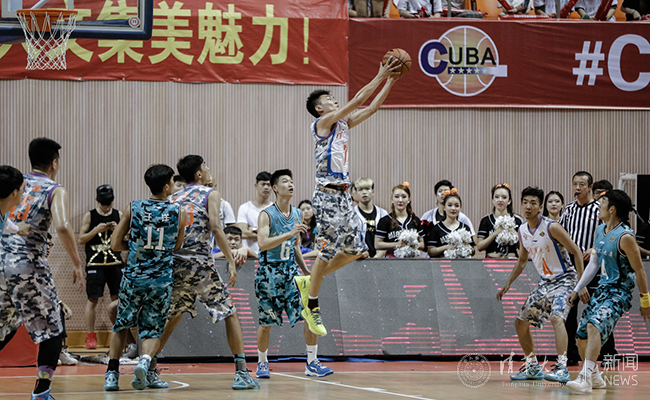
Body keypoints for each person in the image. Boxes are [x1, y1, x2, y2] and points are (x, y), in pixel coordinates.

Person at [295, 57, 401, 337]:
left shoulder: (342, 124)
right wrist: (380, 74)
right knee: (328, 249)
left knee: (358, 250)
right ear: (320, 108)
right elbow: (357, 100)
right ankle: (312, 304)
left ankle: (308, 281)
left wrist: (391, 81)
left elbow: (372, 107)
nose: (334, 100)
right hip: (326, 194)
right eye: (329, 99)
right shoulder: (322, 123)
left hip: (344, 195)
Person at [156, 155, 259, 390]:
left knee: (172, 317)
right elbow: (216, 227)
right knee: (230, 313)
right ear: (199, 174)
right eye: (206, 167)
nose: (209, 170)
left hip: (176, 263)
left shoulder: (173, 197)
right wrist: (230, 260)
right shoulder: (210, 194)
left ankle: (149, 365)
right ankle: (242, 372)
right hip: (201, 264)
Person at [0, 138, 84, 400]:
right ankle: (42, 391)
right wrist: (77, 263)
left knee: (5, 325)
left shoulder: (16, 182)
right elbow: (62, 225)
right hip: (29, 266)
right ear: (54, 163)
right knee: (53, 329)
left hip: (2, 262)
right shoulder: (54, 189)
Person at [104, 164, 186, 391]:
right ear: (166, 186)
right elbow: (176, 246)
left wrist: (135, 247)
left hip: (134, 277)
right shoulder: (178, 212)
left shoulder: (134, 207)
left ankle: (112, 375)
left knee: (122, 325)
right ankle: (145, 362)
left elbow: (114, 244)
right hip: (160, 280)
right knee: (153, 329)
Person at [497, 187, 587, 383]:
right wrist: (508, 283)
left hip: (565, 279)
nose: (528, 207)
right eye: (525, 203)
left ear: (540, 207)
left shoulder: (552, 227)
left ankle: (562, 368)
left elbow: (577, 252)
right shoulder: (522, 230)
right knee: (520, 323)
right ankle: (532, 366)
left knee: (557, 318)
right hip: (545, 283)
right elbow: (522, 260)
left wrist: (581, 284)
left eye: (533, 203)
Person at [566, 189, 650, 393]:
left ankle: (585, 378)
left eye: (602, 202)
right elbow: (594, 263)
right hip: (602, 290)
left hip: (619, 293)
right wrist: (577, 289)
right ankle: (595, 377)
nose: (598, 206)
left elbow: (640, 270)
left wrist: (645, 302)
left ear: (612, 209)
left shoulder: (625, 236)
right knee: (581, 335)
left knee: (594, 325)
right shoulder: (599, 230)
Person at [255, 169, 333, 379]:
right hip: (269, 273)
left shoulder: (297, 213)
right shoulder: (266, 215)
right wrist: (288, 233)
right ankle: (262, 362)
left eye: (292, 181)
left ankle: (312, 362)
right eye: (285, 181)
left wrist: (306, 270)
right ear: (275, 188)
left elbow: (296, 246)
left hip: (291, 272)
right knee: (266, 323)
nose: (291, 184)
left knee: (309, 314)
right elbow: (262, 243)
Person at [560, 171, 612, 366]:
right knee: (569, 310)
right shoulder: (569, 209)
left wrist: (595, 248)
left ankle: (608, 353)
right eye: (575, 184)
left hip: (595, 264)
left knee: (600, 308)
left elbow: (610, 233)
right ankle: (570, 355)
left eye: (582, 184)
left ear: (590, 187)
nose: (577, 188)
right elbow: (560, 235)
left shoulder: (600, 209)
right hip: (572, 266)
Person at [78, 184, 123, 349]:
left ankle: (119, 335)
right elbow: (81, 239)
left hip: (115, 264)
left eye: (109, 203)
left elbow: (128, 239)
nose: (106, 207)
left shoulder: (119, 215)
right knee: (92, 299)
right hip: (95, 264)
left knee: (117, 299)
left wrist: (118, 230)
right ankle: (90, 336)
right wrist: (95, 230)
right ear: (97, 201)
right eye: (103, 203)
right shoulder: (90, 216)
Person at [375, 184, 424, 258]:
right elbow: (377, 244)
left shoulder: (415, 220)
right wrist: (397, 244)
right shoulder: (385, 220)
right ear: (392, 199)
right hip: (391, 261)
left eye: (404, 197)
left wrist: (415, 245)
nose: (400, 200)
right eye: (396, 197)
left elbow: (422, 244)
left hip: (411, 260)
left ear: (409, 199)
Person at [476, 183, 524, 259]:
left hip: (512, 260)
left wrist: (514, 232)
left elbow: (523, 247)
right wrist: (495, 233)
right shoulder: (486, 220)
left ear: (509, 201)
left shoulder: (517, 220)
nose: (500, 200)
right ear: (493, 200)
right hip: (491, 260)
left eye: (504, 197)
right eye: (497, 197)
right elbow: (479, 247)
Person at [427, 189, 477, 258]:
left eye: (456, 206)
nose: (453, 208)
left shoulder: (465, 227)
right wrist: (447, 247)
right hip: (442, 263)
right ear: (444, 207)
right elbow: (430, 251)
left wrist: (466, 246)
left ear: (460, 208)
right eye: (449, 205)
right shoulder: (436, 228)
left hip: (461, 263)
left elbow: (473, 252)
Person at [237, 171, 272, 254]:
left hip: (269, 254)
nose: (266, 187)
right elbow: (242, 233)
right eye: (263, 184)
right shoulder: (244, 207)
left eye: (269, 185)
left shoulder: (275, 209)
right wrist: (265, 234)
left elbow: (277, 235)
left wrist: (252, 229)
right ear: (256, 185)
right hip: (249, 255)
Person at [353, 178, 388, 258]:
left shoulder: (383, 214)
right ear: (356, 193)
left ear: (373, 191)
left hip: (380, 260)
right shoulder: (351, 215)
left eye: (367, 189)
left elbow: (387, 239)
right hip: (359, 259)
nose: (364, 192)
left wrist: (376, 259)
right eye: (360, 190)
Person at [0, 165, 29, 236]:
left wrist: (17, 229)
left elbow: (6, 223)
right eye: (22, 187)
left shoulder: (3, 212)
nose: (23, 192)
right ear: (14, 192)